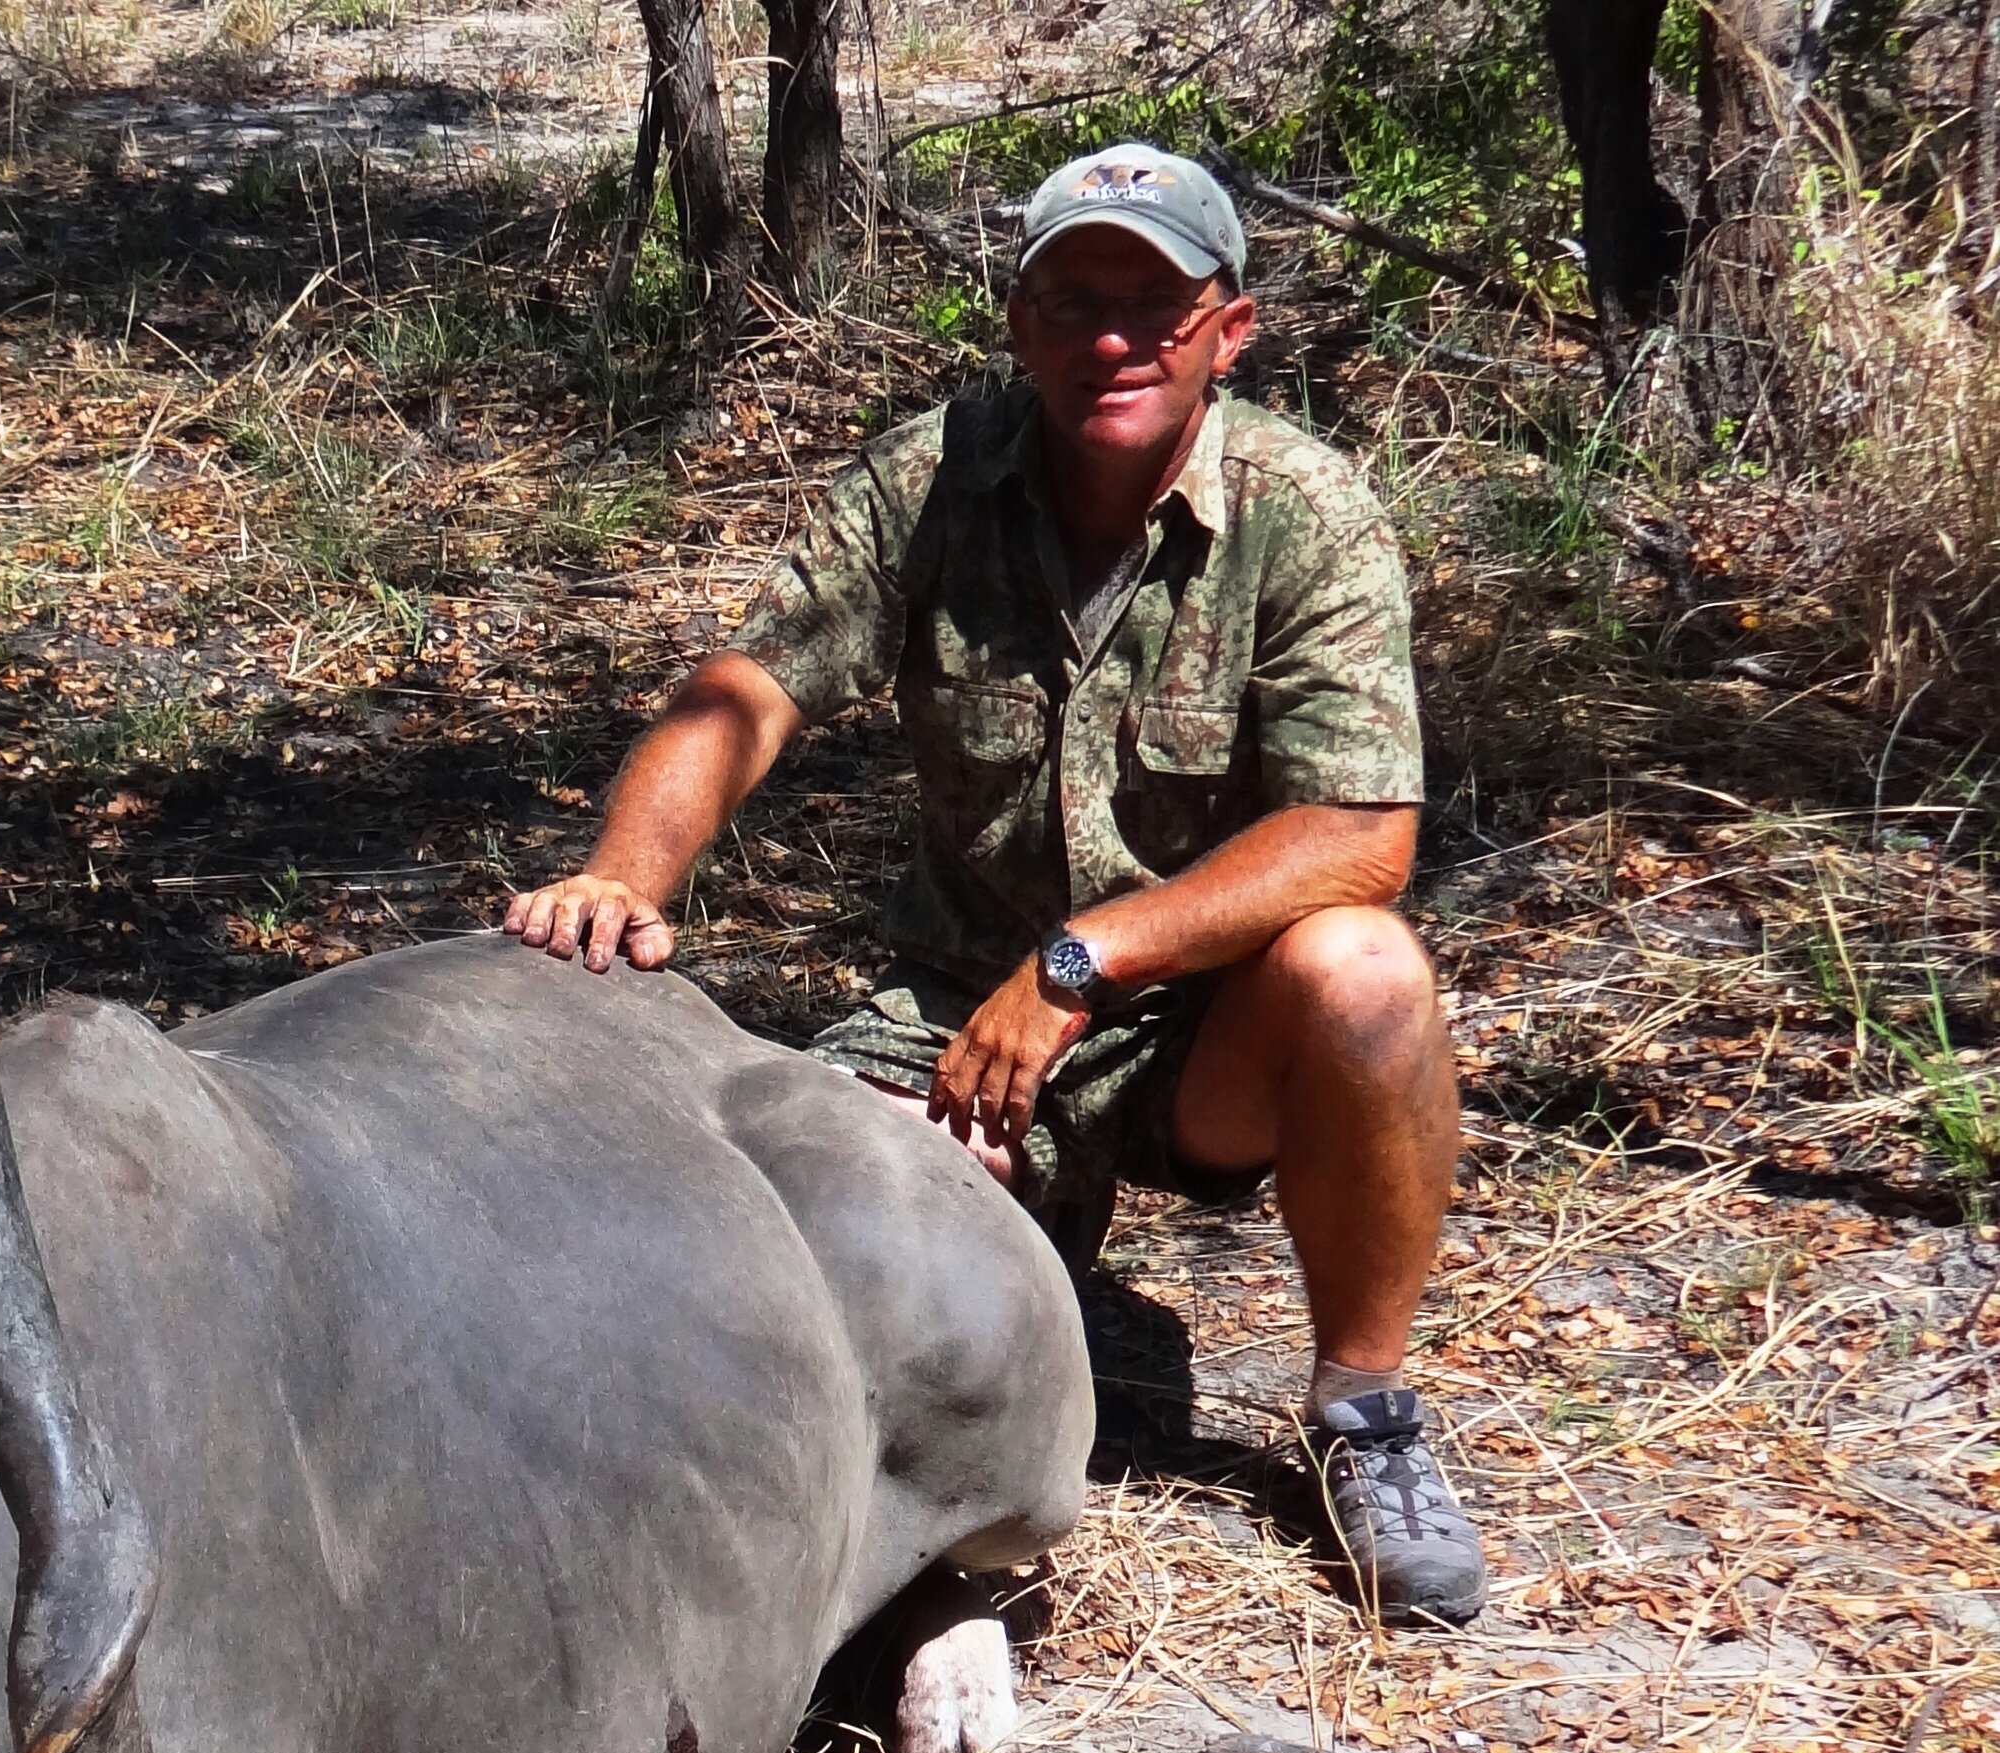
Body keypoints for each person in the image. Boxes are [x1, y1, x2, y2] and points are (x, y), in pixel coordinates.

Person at [504, 145, 1483, 1626]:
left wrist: (1086, 961)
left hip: (1198, 1039)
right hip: (956, 1018)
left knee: (1365, 972)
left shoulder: (1308, 510)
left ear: (1229, 330)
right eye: (1070, 299)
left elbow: (1358, 835)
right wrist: (619, 880)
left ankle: (1363, 1413)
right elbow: (743, 692)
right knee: (809, 1233)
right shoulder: (929, 475)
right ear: (1016, 317)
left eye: (1153, 310)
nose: (1109, 342)